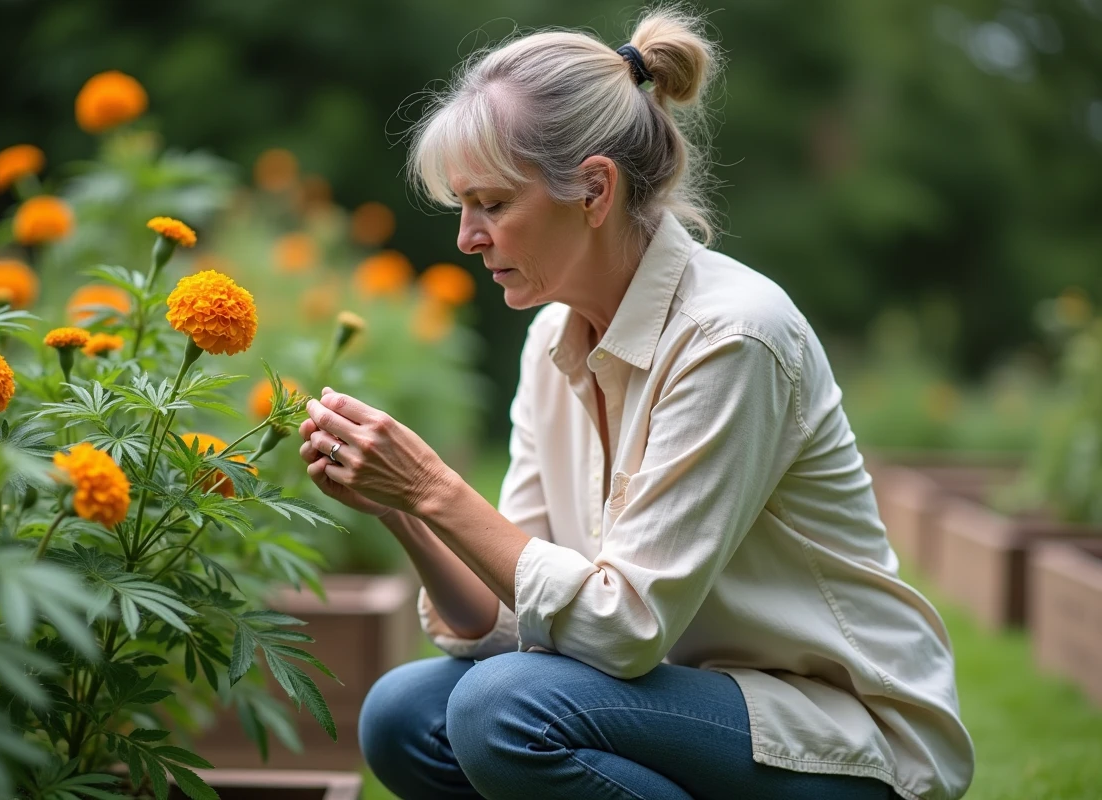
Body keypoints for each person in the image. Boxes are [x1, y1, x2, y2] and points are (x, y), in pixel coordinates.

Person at [297, 8, 974, 800]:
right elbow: (512, 622)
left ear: (593, 189)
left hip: (837, 737)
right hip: (663, 703)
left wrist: (434, 486)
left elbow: (622, 631)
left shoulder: (732, 338)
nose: (467, 238)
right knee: (404, 714)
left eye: (491, 204)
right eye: (462, 208)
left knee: (499, 710)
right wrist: (400, 508)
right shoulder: (554, 336)